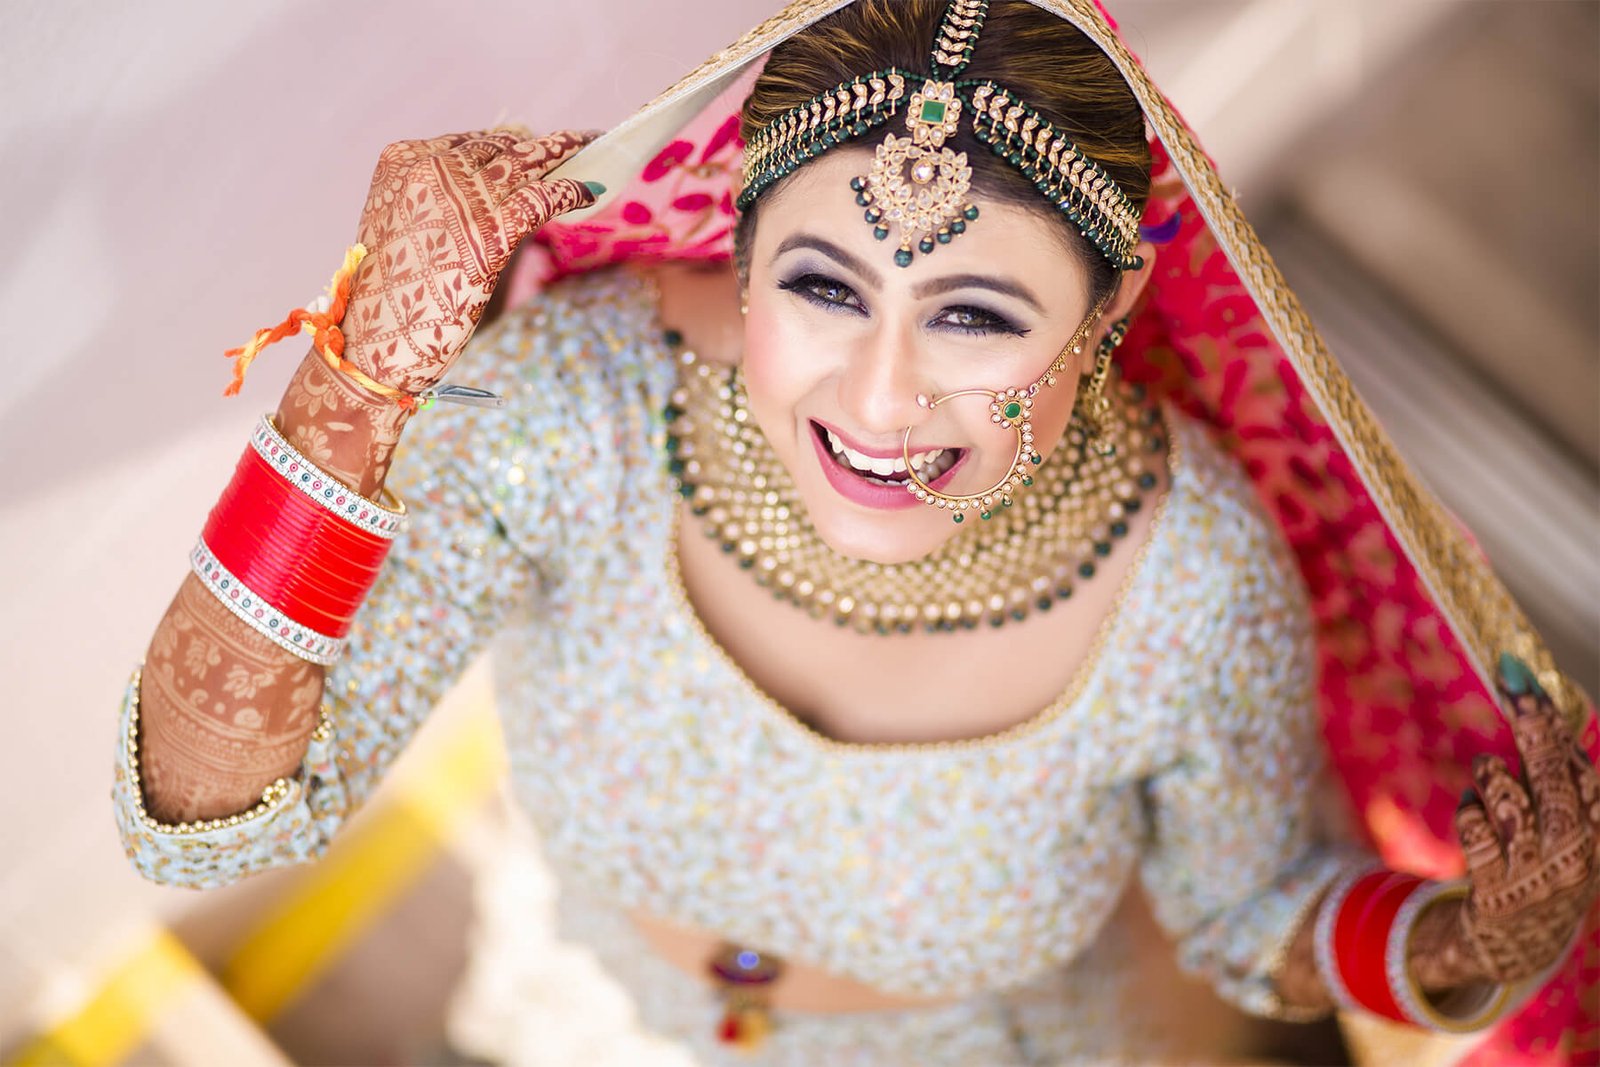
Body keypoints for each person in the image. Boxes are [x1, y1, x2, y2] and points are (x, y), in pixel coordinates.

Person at [113, 1, 1599, 1063]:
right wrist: (358, 381)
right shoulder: (578, 407)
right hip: (590, 1011)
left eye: (975, 315)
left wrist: (1469, 943)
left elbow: (1248, 918)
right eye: (823, 288)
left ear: (1112, 313)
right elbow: (202, 817)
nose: (881, 400)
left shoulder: (1191, 589)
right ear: (741, 248)